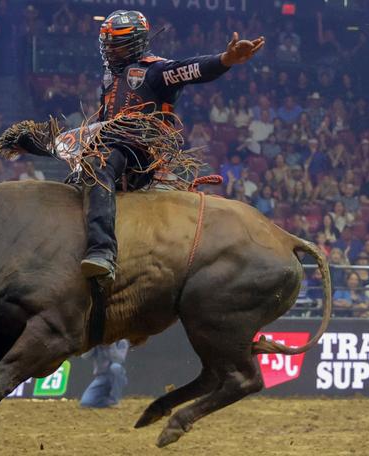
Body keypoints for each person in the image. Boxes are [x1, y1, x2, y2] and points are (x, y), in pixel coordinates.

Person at [80, 11, 263, 283]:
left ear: (134, 42)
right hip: (110, 145)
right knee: (78, 174)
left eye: (114, 43)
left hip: (140, 152)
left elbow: (190, 69)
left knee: (98, 167)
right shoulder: (109, 77)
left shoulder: (155, 70)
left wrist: (225, 60)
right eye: (106, 43)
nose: (109, 49)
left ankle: (102, 251)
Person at [79, 339, 130, 408]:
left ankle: (114, 400)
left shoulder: (122, 342)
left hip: (116, 376)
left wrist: (111, 345)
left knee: (115, 367)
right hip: (101, 377)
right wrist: (93, 345)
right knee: (85, 403)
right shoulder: (98, 343)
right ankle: (107, 401)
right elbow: (84, 356)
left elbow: (119, 360)